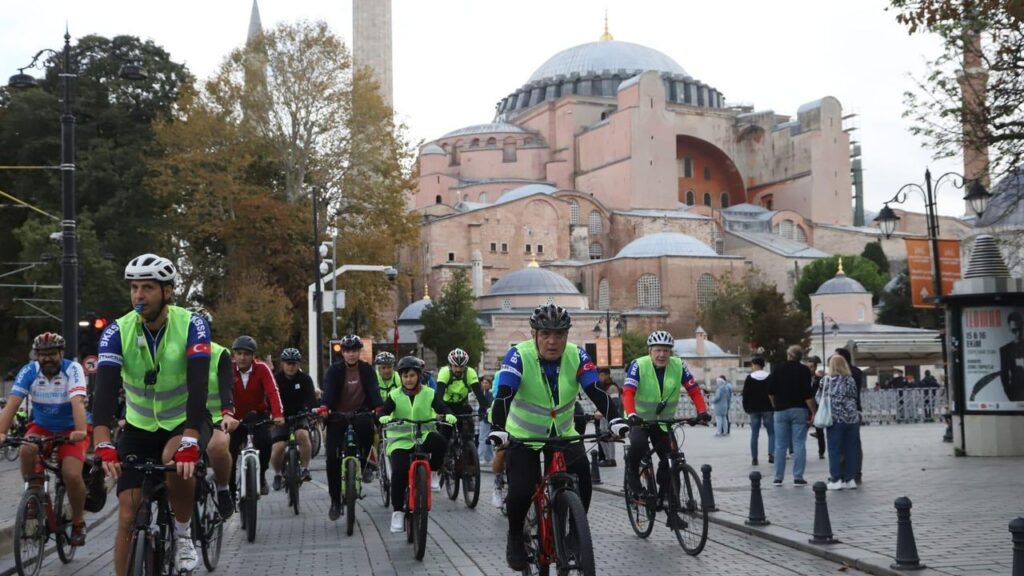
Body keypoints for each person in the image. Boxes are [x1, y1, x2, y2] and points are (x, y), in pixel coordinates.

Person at [92, 254, 210, 576]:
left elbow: (199, 384)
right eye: (134, 288)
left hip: (183, 422)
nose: (138, 295)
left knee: (176, 461)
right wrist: (102, 441)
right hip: (138, 428)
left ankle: (183, 534)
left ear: (167, 291)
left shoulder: (193, 324)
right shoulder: (117, 331)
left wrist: (191, 439)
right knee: (128, 514)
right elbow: (104, 391)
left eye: (147, 288)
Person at [487, 304, 621, 571]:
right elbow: (504, 393)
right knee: (522, 490)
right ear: (534, 334)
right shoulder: (518, 355)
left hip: (563, 433)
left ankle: (574, 532)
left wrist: (616, 419)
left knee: (582, 476)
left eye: (559, 335)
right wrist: (498, 427)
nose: (552, 341)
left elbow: (596, 389)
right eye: (545, 334)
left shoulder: (577, 355)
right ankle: (515, 536)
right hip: (523, 435)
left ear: (567, 336)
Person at [0, 333, 89, 546]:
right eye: (42, 354)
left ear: (61, 353)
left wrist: (80, 430)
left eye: (52, 354)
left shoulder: (73, 369)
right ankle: (33, 493)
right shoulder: (29, 371)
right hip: (42, 426)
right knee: (26, 448)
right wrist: (1, 432)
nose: (47, 358)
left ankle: (78, 522)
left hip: (71, 429)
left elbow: (77, 403)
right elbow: (12, 404)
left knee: (71, 474)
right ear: (36, 355)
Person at [621, 330, 709, 518]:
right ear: (650, 351)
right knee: (639, 444)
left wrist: (702, 411)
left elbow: (693, 389)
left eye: (666, 351)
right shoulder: (639, 365)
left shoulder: (679, 365)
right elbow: (628, 392)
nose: (662, 355)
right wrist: (632, 414)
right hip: (639, 419)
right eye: (658, 350)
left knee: (671, 457)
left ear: (671, 352)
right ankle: (632, 472)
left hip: (663, 422)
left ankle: (668, 502)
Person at [378, 355, 455, 533]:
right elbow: (383, 411)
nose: (408, 379)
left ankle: (433, 472)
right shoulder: (394, 395)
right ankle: (398, 512)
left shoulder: (429, 393)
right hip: (400, 441)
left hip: (423, 436)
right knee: (399, 472)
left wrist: (449, 415)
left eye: (412, 375)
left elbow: (442, 408)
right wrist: (383, 417)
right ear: (401, 377)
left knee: (441, 442)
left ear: (419, 376)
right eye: (405, 376)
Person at [321, 334, 382, 521]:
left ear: (359, 352)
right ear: (343, 353)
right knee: (332, 458)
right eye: (347, 351)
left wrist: (378, 408)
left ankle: (365, 466)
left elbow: (374, 390)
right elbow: (328, 392)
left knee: (367, 430)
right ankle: (335, 501)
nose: (351, 354)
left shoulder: (367, 370)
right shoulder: (334, 370)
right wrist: (325, 408)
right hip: (337, 416)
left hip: (360, 413)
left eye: (354, 350)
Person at [228, 335, 283, 497]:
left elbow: (273, 392)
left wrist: (277, 414)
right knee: (229, 450)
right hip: (234, 417)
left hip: (258, 415)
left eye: (246, 354)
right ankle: (229, 487)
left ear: (253, 356)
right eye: (239, 353)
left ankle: (261, 476)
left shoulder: (262, 368)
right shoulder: (228, 369)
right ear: (234, 355)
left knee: (265, 442)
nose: (242, 357)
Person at [767, 345, 816, 486]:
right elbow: (808, 394)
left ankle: (778, 477)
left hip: (781, 410)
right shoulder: (804, 370)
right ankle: (798, 477)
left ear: (789, 354)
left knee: (780, 445)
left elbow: (770, 391)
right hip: (799, 410)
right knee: (799, 443)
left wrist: (775, 405)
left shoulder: (778, 368)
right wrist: (813, 412)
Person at [270, 348, 317, 491]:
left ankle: (305, 468)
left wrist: (310, 410)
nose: (291, 366)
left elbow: (311, 398)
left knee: (303, 435)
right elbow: (269, 398)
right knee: (278, 447)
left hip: (299, 416)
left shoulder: (305, 379)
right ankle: (277, 474)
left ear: (298, 364)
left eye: (294, 363)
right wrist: (272, 414)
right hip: (280, 418)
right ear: (282, 364)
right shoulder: (275, 379)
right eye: (288, 363)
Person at [817, 354, 862, 490]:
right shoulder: (850, 380)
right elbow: (854, 396)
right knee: (851, 449)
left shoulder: (826, 380)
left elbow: (819, 398)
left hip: (835, 418)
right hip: (852, 418)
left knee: (834, 449)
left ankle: (836, 479)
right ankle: (850, 479)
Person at [204, 339, 238, 518]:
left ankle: (223, 488)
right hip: (181, 416)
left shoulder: (219, 353)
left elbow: (226, 387)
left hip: (215, 416)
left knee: (217, 446)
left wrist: (227, 413)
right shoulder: (171, 350)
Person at [435, 348, 487, 450]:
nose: (458, 370)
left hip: (462, 405)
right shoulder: (444, 372)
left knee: (469, 432)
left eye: (461, 366)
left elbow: (479, 394)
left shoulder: (470, 372)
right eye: (455, 366)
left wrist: (483, 408)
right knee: (445, 435)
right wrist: (443, 412)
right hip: (447, 405)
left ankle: (468, 448)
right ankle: (445, 453)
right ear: (450, 365)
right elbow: (439, 396)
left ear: (465, 366)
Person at [834, 347, 865, 484]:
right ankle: (856, 473)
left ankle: (843, 472)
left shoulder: (841, 375)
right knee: (854, 443)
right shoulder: (857, 372)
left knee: (841, 443)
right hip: (855, 411)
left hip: (842, 413)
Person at [742, 357, 774, 466]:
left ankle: (754, 458)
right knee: (771, 433)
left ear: (756, 365)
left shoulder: (749, 378)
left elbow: (745, 394)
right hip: (768, 408)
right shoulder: (769, 377)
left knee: (754, 434)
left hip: (754, 409)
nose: (751, 367)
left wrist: (746, 407)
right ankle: (771, 454)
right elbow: (773, 392)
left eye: (752, 365)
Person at [806, 356, 826, 460]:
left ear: (815, 367)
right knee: (803, 430)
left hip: (817, 407)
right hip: (806, 407)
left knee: (819, 431)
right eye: (808, 367)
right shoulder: (803, 379)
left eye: (811, 367)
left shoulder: (820, 380)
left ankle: (821, 452)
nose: (809, 369)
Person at [477, 374, 495, 465]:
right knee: (487, 438)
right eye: (483, 383)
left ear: (490, 384)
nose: (485, 384)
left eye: (487, 383)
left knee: (483, 438)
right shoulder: (482, 393)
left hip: (487, 418)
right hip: (484, 418)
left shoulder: (491, 393)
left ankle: (480, 457)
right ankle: (489, 458)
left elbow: (488, 405)